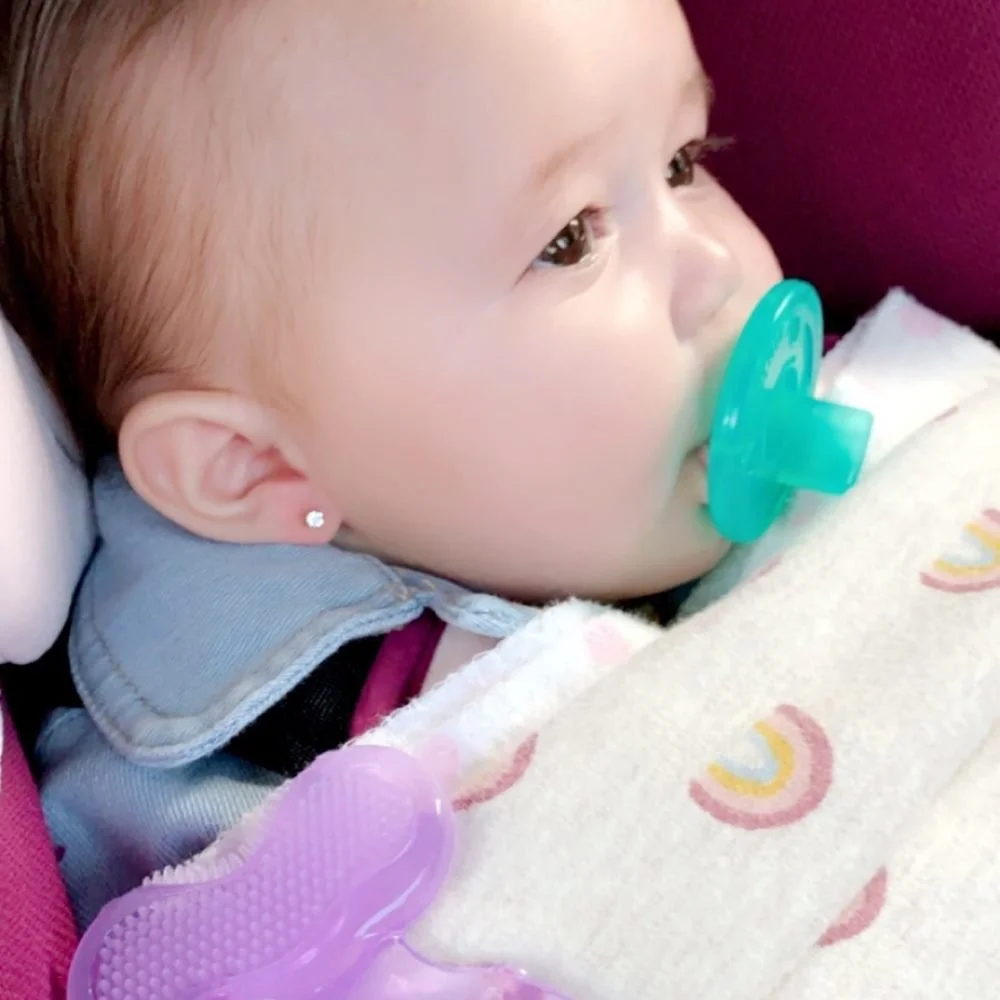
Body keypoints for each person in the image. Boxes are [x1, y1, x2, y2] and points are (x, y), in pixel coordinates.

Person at [0, 0, 786, 927]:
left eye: (682, 162)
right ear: (254, 467)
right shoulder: (232, 844)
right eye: (567, 239)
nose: (719, 269)